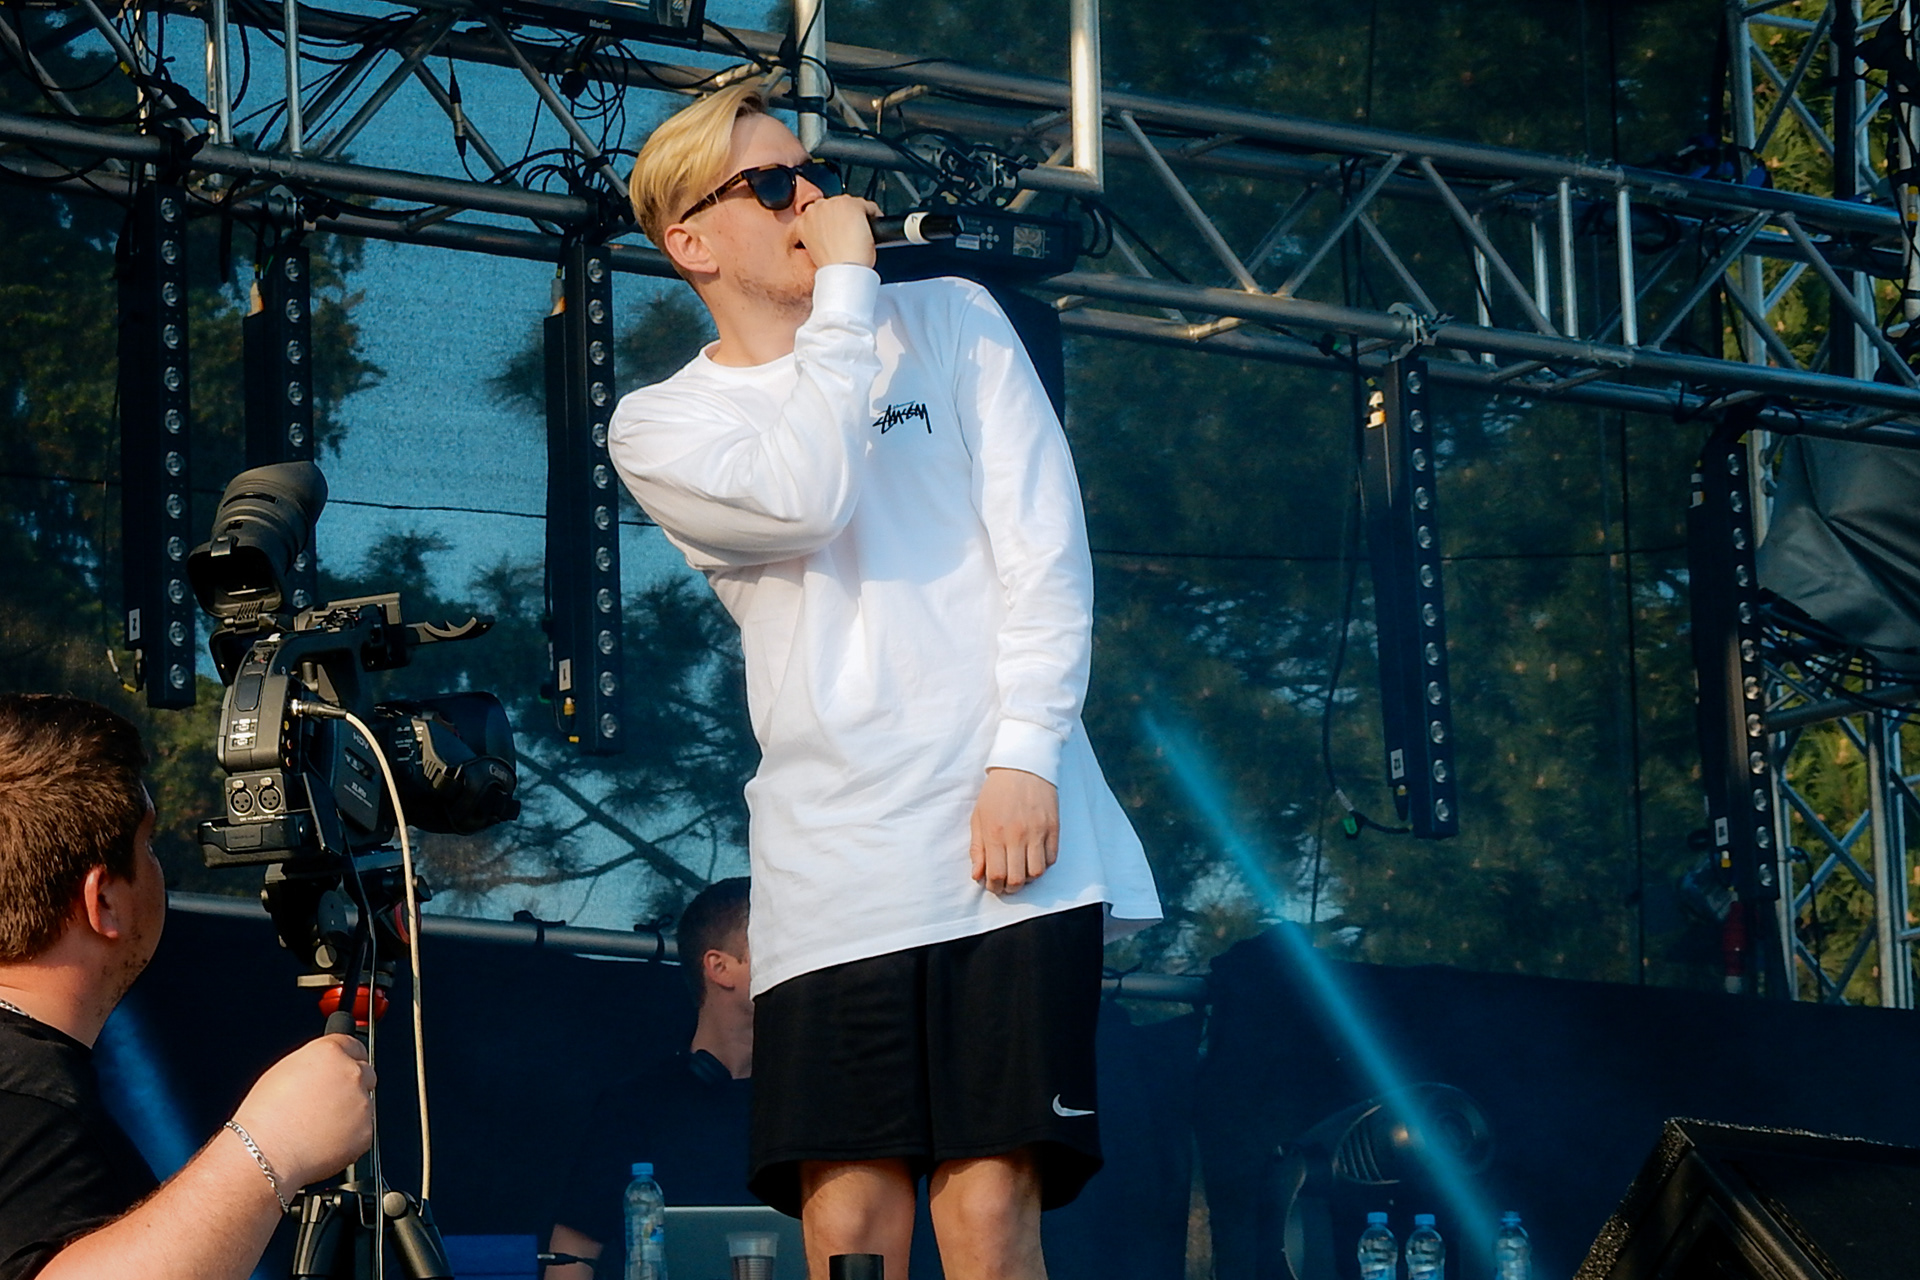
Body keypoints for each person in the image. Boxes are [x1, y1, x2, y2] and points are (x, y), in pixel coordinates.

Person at [609, 83, 1162, 1280]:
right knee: (850, 1224)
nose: (810, 197)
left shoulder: (955, 317)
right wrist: (849, 298)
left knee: (990, 1210)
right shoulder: (662, 424)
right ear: (691, 242)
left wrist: (1026, 750)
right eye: (771, 184)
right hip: (835, 862)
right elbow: (809, 495)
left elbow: (1046, 550)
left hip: (1004, 836)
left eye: (810, 172)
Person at [0, 693, 376, 1280]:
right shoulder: (27, 1096)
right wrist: (271, 1146)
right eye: (148, 844)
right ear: (103, 901)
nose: (159, 868)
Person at [544, 876, 755, 1279]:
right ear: (719, 967)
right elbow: (573, 1252)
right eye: (774, 945)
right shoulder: (635, 1106)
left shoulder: (813, 1100)